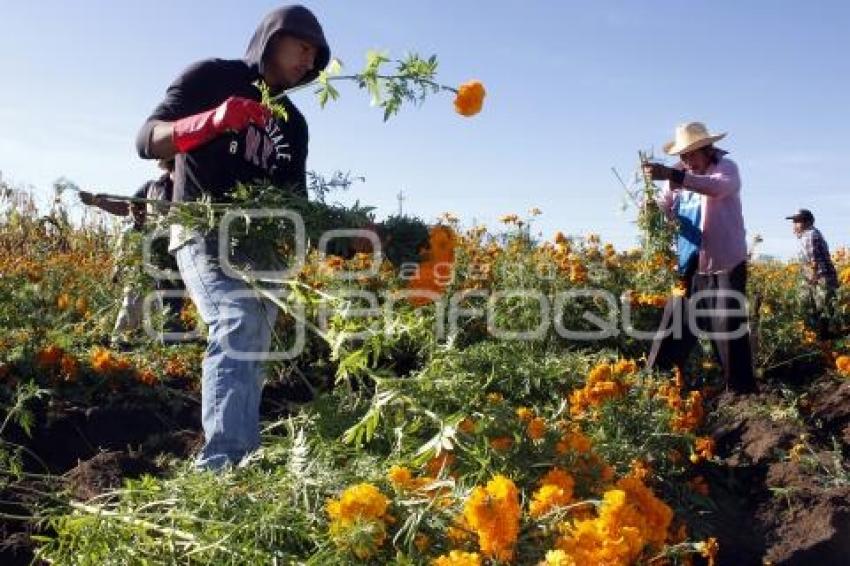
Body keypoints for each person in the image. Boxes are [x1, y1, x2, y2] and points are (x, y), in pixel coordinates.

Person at [135, 5, 330, 471]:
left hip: (259, 245)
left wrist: (348, 236)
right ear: (272, 38)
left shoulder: (293, 123)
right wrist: (212, 121)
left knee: (254, 339)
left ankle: (243, 451)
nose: (309, 62)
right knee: (237, 318)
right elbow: (146, 140)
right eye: (302, 48)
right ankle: (222, 465)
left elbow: (294, 201)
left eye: (316, 57)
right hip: (202, 228)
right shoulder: (210, 78)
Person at [643, 121, 759, 394]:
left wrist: (675, 175)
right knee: (675, 323)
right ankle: (654, 385)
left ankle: (740, 391)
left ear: (706, 149)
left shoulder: (725, 168)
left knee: (725, 325)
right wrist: (650, 205)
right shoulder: (679, 175)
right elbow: (667, 205)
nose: (685, 161)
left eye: (690, 154)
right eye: (682, 157)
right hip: (689, 260)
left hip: (724, 262)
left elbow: (717, 188)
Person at [80, 159, 184, 345]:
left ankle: (165, 349)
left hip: (177, 259)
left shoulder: (191, 192)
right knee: (134, 298)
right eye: (175, 167)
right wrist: (98, 202)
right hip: (148, 253)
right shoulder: (152, 188)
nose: (179, 171)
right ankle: (120, 343)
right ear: (169, 167)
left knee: (169, 307)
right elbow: (128, 207)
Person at [786, 208, 838, 338]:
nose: (795, 224)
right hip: (821, 277)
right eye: (794, 221)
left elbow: (813, 261)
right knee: (821, 310)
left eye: (798, 221)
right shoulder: (810, 234)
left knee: (821, 310)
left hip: (820, 278)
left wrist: (813, 279)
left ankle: (823, 340)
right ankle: (822, 339)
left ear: (808, 222)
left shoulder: (809, 235)